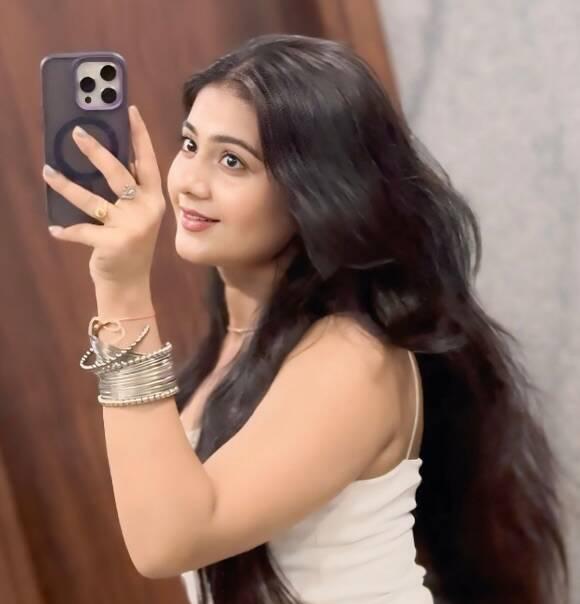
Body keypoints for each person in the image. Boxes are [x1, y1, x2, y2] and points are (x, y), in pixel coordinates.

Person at [44, 33, 568, 604]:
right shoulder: (239, 342)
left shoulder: (352, 355)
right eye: (189, 144)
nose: (189, 181)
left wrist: (122, 294)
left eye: (232, 161)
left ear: (314, 190)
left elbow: (168, 540)